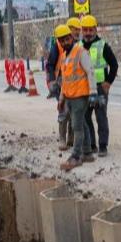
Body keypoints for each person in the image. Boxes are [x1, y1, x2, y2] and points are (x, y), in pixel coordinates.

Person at [57, 24, 99, 170]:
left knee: (76, 126)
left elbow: (90, 72)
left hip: (81, 96)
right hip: (70, 97)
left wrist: (93, 93)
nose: (64, 42)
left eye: (66, 39)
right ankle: (87, 153)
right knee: (83, 124)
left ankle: (76, 156)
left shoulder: (80, 52)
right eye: (61, 40)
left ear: (71, 38)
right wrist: (62, 98)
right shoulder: (64, 56)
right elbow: (65, 79)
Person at [80, 15, 119, 156]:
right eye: (85, 30)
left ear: (95, 30)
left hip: (98, 90)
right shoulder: (78, 47)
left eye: (91, 30)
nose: (88, 33)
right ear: (82, 31)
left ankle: (103, 146)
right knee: (85, 117)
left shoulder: (103, 45)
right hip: (84, 89)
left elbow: (114, 65)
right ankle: (91, 144)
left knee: (101, 116)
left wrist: (108, 82)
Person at [52, 17, 83, 150]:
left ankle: (71, 138)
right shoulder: (58, 46)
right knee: (64, 110)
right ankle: (62, 139)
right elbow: (50, 64)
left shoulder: (78, 45)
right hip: (61, 81)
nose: (77, 32)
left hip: (75, 82)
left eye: (78, 30)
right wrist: (51, 81)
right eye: (75, 29)